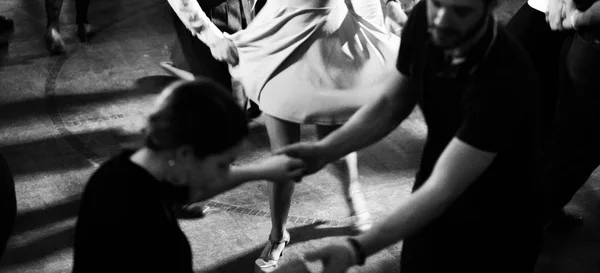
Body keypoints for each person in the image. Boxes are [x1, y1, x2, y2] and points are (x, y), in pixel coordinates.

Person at [278, 0, 545, 272]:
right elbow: (390, 105)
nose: (441, 19)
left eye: (461, 11)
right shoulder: (425, 21)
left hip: (501, 221)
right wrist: (324, 150)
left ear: (491, 6)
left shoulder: (506, 76)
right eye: (437, 4)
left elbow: (444, 188)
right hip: (435, 185)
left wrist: (355, 248)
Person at [71, 79, 305, 273]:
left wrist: (261, 171)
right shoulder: (145, 230)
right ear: (185, 153)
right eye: (222, 164)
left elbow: (191, 188)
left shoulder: (129, 171)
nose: (224, 173)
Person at [541, 0, 600, 229]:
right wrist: (576, 17)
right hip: (591, 47)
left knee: (567, 145)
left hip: (584, 42)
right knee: (575, 150)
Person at [163, 0, 263, 118]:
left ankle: (237, 118)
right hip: (208, 17)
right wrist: (213, 38)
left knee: (244, 78)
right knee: (217, 94)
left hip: (246, 8)